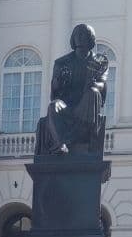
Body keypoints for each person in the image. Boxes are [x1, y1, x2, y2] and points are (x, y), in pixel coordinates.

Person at [35, 23, 109, 157]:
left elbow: (102, 85)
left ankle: (83, 134)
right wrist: (58, 83)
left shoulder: (98, 62)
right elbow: (54, 94)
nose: (80, 37)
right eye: (77, 34)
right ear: (73, 38)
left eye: (83, 34)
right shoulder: (62, 63)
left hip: (87, 107)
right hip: (67, 108)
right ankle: (60, 144)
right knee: (53, 106)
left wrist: (94, 84)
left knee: (93, 92)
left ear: (91, 39)